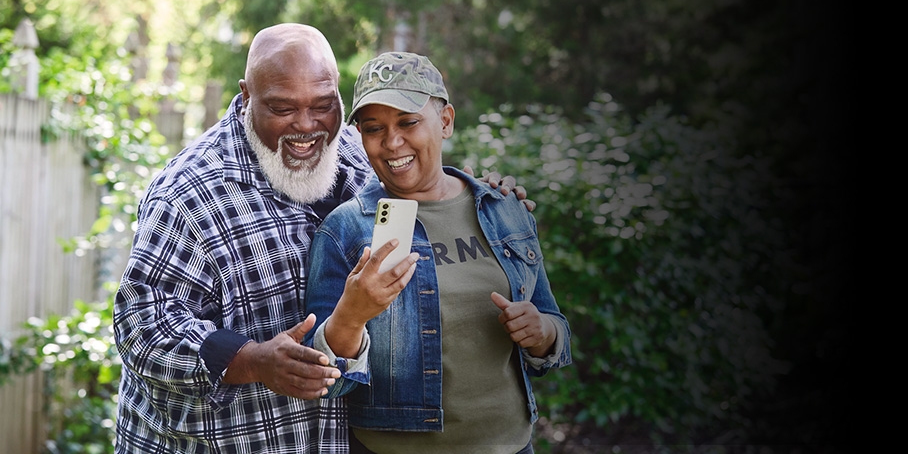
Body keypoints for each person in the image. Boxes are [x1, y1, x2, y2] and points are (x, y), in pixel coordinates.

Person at [113, 24, 532, 453]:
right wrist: (252, 360)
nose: (306, 126)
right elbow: (142, 328)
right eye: (281, 108)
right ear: (245, 96)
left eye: (323, 105)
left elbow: (431, 193)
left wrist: (486, 200)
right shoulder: (189, 194)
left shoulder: (357, 150)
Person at [301, 51, 572, 453]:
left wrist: (543, 333)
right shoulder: (346, 230)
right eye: (374, 128)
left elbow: (555, 328)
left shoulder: (505, 210)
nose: (392, 143)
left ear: (445, 122)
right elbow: (325, 379)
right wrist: (352, 314)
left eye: (408, 122)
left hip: (512, 444)